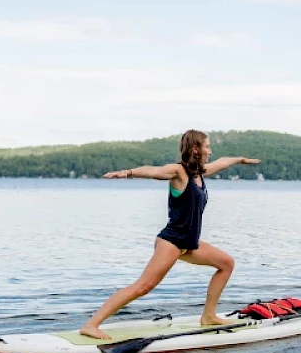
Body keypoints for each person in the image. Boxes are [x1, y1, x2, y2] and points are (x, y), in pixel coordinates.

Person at [80, 130, 261, 339]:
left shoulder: (200, 173)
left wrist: (240, 160)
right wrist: (129, 172)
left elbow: (222, 162)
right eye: (207, 147)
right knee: (143, 286)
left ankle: (209, 315)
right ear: (196, 149)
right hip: (172, 241)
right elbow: (155, 171)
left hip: (189, 243)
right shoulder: (179, 172)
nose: (210, 151)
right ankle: (91, 325)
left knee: (226, 264)